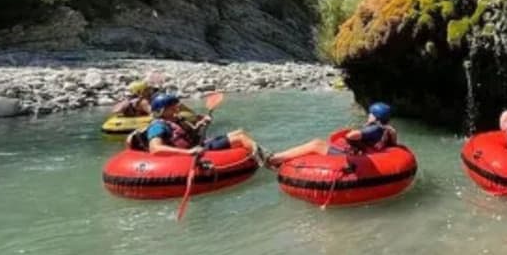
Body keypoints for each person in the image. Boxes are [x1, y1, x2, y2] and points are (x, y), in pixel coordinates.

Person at [129, 93, 266, 164]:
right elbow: (155, 149)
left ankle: (260, 154)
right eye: (173, 106)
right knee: (240, 138)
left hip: (198, 146)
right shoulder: (158, 126)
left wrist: (201, 125)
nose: (178, 108)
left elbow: (190, 135)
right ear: (163, 110)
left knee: (240, 132)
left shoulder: (176, 119)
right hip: (193, 152)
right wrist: (189, 153)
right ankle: (267, 159)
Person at [267, 102, 397, 167]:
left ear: (375, 117)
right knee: (322, 144)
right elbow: (392, 146)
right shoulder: (389, 130)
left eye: (371, 114)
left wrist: (353, 134)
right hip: (367, 155)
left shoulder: (373, 129)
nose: (369, 116)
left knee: (316, 144)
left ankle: (275, 159)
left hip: (357, 159)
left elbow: (352, 136)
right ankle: (280, 158)